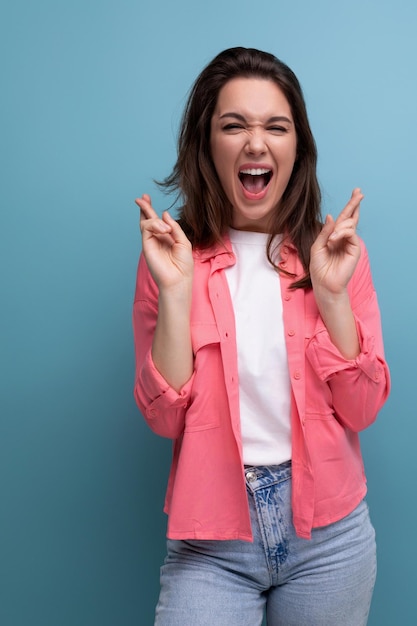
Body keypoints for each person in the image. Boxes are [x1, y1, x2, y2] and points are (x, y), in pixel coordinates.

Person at [133, 47, 390, 626]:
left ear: (297, 147)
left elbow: (364, 407)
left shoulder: (339, 256)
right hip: (212, 541)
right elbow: (163, 421)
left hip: (330, 538)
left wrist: (330, 295)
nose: (256, 143)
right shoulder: (172, 259)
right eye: (234, 126)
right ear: (207, 144)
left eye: (276, 126)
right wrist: (175, 295)